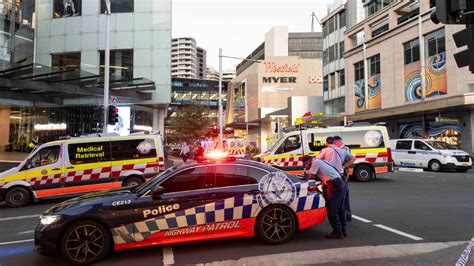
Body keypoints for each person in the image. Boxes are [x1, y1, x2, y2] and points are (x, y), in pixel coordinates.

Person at [303, 156, 348, 239]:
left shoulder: (315, 163)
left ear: (309, 161)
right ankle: (343, 230)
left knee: (332, 210)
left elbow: (310, 176)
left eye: (306, 164)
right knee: (340, 209)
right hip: (340, 184)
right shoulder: (319, 161)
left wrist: (306, 171)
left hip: (335, 186)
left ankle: (337, 232)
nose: (307, 165)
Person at [334, 135, 352, 221]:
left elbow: (350, 159)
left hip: (342, 175)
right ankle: (346, 215)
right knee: (344, 195)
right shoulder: (344, 148)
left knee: (343, 195)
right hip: (342, 174)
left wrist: (343, 167)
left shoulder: (344, 149)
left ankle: (346, 215)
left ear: (338, 142)